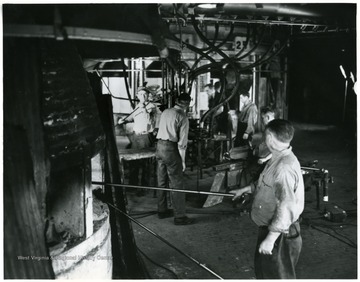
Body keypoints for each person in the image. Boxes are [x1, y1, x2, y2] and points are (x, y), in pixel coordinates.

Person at [230, 119, 304, 279]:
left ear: (270, 138)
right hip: (273, 230)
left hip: (280, 236)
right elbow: (266, 182)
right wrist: (246, 189)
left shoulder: (283, 167)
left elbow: (286, 206)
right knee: (265, 275)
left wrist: (271, 238)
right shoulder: (276, 158)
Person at [155, 93, 194, 225]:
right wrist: (182, 161)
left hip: (159, 147)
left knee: (161, 181)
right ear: (188, 104)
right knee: (176, 182)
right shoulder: (183, 116)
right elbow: (182, 144)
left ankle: (162, 210)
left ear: (176, 101)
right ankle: (180, 217)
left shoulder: (166, 111)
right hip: (171, 149)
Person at [118, 87, 161, 188]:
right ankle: (133, 184)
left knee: (145, 162)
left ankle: (144, 186)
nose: (143, 96)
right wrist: (123, 120)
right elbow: (132, 117)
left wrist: (144, 109)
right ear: (137, 96)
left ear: (148, 96)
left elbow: (150, 119)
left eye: (145, 94)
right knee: (134, 161)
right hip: (135, 136)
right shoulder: (138, 106)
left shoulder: (151, 106)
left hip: (145, 136)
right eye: (140, 94)